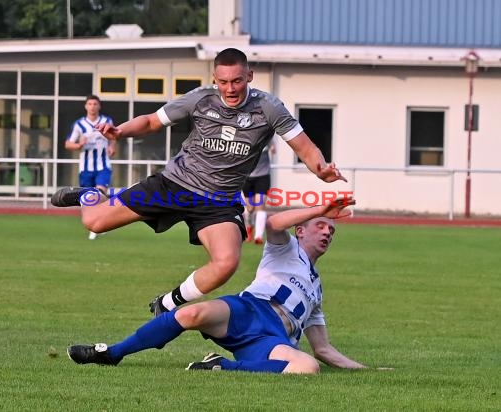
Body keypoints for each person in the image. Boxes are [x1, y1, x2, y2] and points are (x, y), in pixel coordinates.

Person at [51, 48, 346, 315]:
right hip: (174, 185)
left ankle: (167, 303)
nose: (230, 89)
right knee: (95, 223)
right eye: (224, 81)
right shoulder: (200, 98)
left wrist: (320, 169)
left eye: (237, 81)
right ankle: (90, 194)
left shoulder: (268, 108)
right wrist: (119, 131)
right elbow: (152, 121)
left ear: (249, 76)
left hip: (219, 201)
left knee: (227, 262)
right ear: (214, 78)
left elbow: (304, 146)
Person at [66, 197, 369, 374]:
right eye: (321, 225)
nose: (327, 231)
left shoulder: (317, 289)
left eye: (331, 229)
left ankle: (220, 365)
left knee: (307, 368)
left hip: (270, 338)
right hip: (248, 308)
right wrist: (321, 207)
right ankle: (112, 353)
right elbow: (274, 224)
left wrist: (368, 371)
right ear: (301, 231)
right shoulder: (286, 248)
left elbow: (323, 350)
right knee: (190, 315)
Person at [64, 94, 116, 240]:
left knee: (100, 192)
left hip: (103, 165)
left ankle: (97, 227)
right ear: (86, 106)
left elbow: (113, 137)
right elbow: (68, 144)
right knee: (88, 199)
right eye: (90, 104)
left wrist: (112, 146)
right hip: (86, 168)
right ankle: (96, 224)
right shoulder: (79, 124)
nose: (92, 107)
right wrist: (79, 145)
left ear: (99, 106)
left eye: (95, 104)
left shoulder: (107, 121)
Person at [242, 141, 275, 244]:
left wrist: (273, 148)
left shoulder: (267, 137)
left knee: (260, 206)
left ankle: (258, 236)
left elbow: (273, 148)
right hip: (247, 178)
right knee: (250, 208)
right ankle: (249, 227)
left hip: (263, 176)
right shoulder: (245, 138)